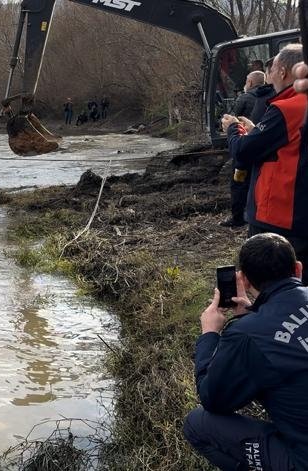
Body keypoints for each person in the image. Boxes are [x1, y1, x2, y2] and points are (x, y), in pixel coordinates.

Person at [184, 233, 308, 470]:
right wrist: (252, 317)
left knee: (197, 424)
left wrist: (210, 335)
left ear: (245, 280)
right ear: (298, 269)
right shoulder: (252, 332)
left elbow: (213, 398)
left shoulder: (248, 336)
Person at [221, 44, 308, 280]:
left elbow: (243, 152)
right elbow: (285, 145)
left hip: (280, 216)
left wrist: (233, 129)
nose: (269, 76)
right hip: (299, 214)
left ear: (283, 72)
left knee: (271, 282)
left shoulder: (288, 107)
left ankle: (269, 315)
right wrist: (255, 130)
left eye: (273, 69)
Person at [220, 70, 271, 228]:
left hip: (243, 146)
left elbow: (232, 117)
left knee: (238, 182)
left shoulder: (245, 97)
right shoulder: (270, 96)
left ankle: (237, 218)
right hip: (261, 147)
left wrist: (230, 127)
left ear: (249, 83)